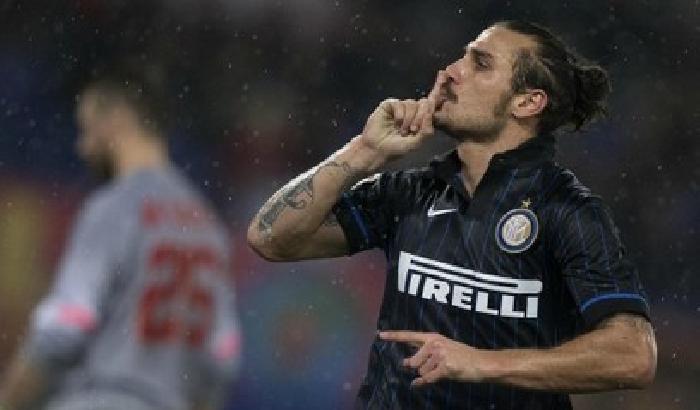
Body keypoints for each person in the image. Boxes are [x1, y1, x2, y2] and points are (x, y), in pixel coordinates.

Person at [247, 20, 656, 409]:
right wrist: (365, 152)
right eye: (462, 57)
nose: (450, 72)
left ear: (528, 102)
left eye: (480, 64)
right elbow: (271, 239)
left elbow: (633, 356)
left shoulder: (568, 211)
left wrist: (481, 363)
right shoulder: (409, 193)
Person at [0, 64, 241, 410]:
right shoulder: (209, 226)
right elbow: (221, 359)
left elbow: (66, 325)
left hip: (99, 396)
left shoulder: (115, 206)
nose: (82, 147)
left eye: (87, 129)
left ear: (118, 118)